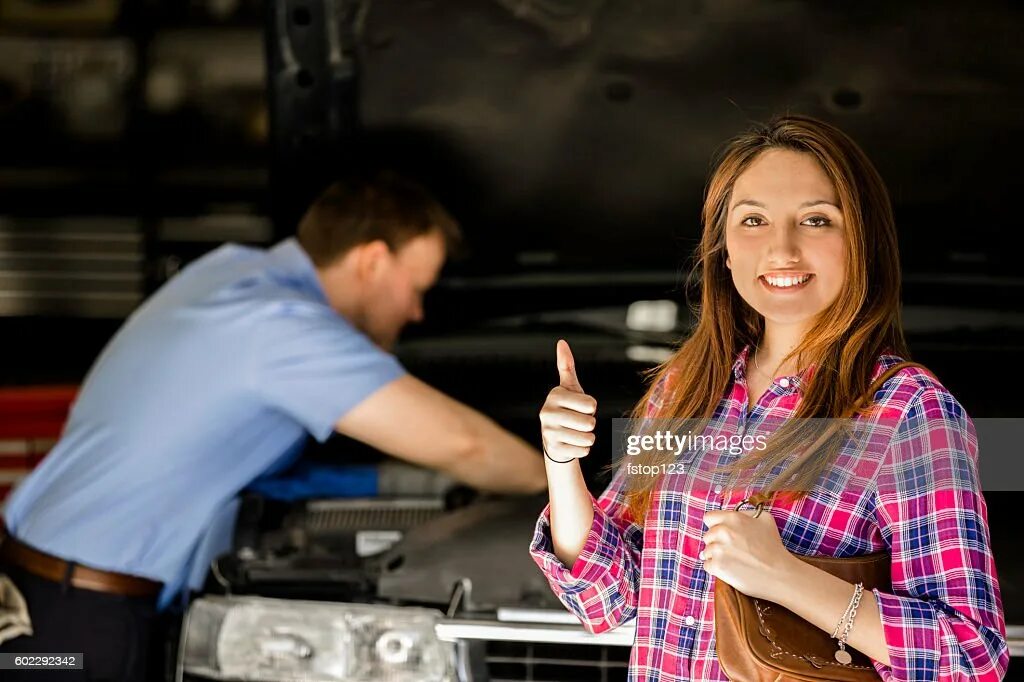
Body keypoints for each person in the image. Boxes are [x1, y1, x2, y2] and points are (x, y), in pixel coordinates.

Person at [0, 172, 546, 681]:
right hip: (79, 626)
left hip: (37, 591)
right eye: (417, 287)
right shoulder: (280, 326)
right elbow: (464, 444)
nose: (417, 312)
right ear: (373, 261)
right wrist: (567, 485)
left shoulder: (228, 273)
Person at [532, 116, 1008, 681]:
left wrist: (785, 577)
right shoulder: (682, 390)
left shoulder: (910, 413)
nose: (781, 249)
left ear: (862, 242)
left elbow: (971, 658)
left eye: (815, 220)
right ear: (725, 250)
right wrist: (562, 465)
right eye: (753, 220)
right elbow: (610, 599)